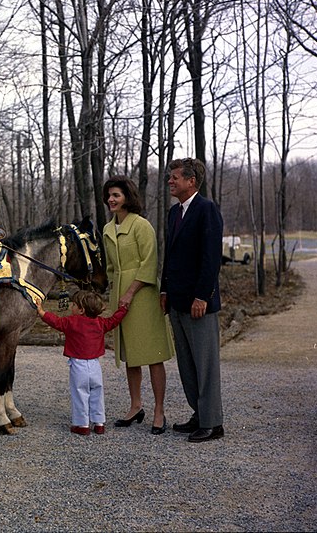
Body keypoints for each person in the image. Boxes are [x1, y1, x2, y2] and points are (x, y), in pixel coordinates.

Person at [102, 175, 175, 435]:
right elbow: (110, 268)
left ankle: (159, 411)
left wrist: (131, 292)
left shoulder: (141, 225)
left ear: (127, 198)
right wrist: (115, 294)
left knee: (152, 355)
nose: (111, 199)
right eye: (109, 195)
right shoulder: (108, 229)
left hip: (142, 295)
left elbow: (149, 263)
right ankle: (135, 406)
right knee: (131, 355)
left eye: (116, 195)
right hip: (119, 295)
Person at [160, 157, 225, 443]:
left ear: (191, 181)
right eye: (170, 177)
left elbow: (211, 259)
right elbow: (170, 257)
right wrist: (164, 291)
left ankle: (213, 424)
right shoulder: (174, 213)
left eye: (175, 177)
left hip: (199, 303)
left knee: (205, 364)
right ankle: (199, 415)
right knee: (187, 364)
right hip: (176, 301)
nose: (170, 181)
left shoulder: (206, 209)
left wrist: (202, 296)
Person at [36, 291, 128, 436]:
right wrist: (123, 310)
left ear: (81, 309)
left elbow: (56, 322)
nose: (71, 307)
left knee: (80, 393)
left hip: (78, 364)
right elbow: (114, 321)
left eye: (74, 305)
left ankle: (82, 424)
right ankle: (99, 423)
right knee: (97, 392)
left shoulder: (71, 322)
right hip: (95, 365)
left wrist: (41, 311)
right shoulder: (101, 323)